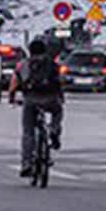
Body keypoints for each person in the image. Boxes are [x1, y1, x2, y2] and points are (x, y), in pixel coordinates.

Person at [17, 35, 65, 179]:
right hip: (51, 98)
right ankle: (54, 130)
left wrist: (14, 96)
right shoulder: (52, 63)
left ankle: (27, 163)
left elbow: (17, 81)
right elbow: (60, 82)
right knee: (58, 112)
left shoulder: (25, 64)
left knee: (28, 132)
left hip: (31, 100)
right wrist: (60, 97)